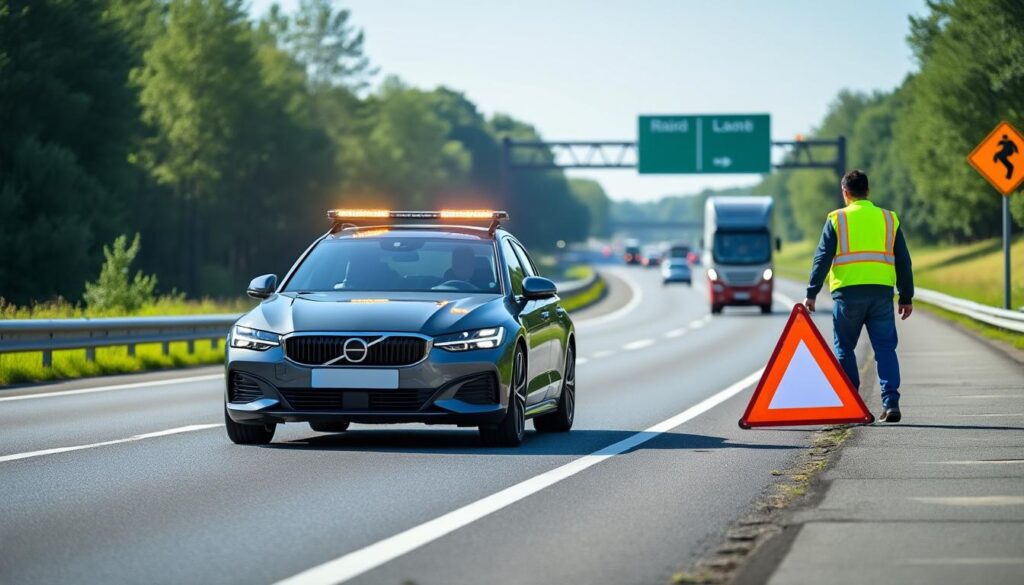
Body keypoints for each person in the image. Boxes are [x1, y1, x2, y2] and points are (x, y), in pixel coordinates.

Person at [803, 170, 914, 423]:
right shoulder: (889, 218)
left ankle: (852, 404)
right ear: (868, 191)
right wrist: (906, 297)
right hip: (881, 295)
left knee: (844, 348)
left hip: (847, 295)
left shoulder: (836, 219)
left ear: (845, 193)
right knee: (885, 348)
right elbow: (904, 262)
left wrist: (811, 292)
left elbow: (822, 258)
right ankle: (891, 402)